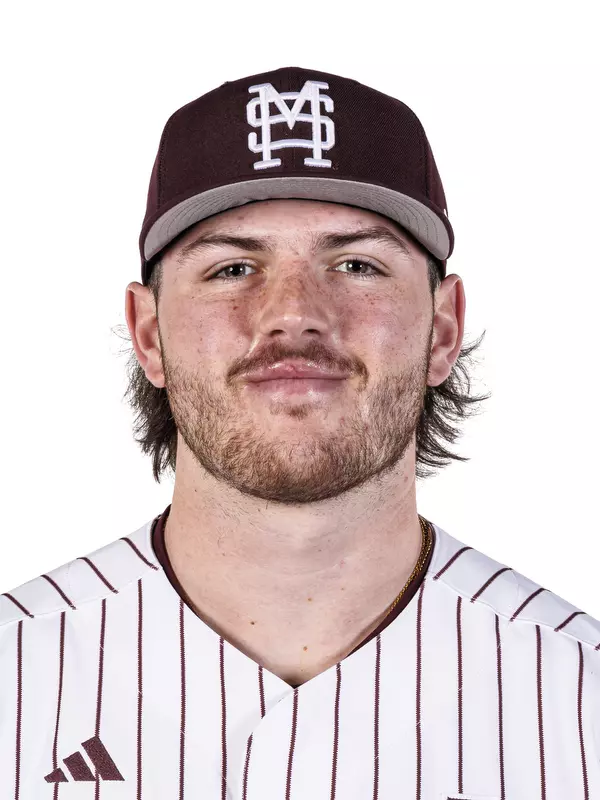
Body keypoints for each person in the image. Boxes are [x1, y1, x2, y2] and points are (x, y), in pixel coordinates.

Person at [0, 66, 598, 799]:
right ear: (148, 333)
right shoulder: (15, 673)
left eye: (356, 264)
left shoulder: (579, 698)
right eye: (232, 267)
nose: (292, 313)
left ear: (443, 328)